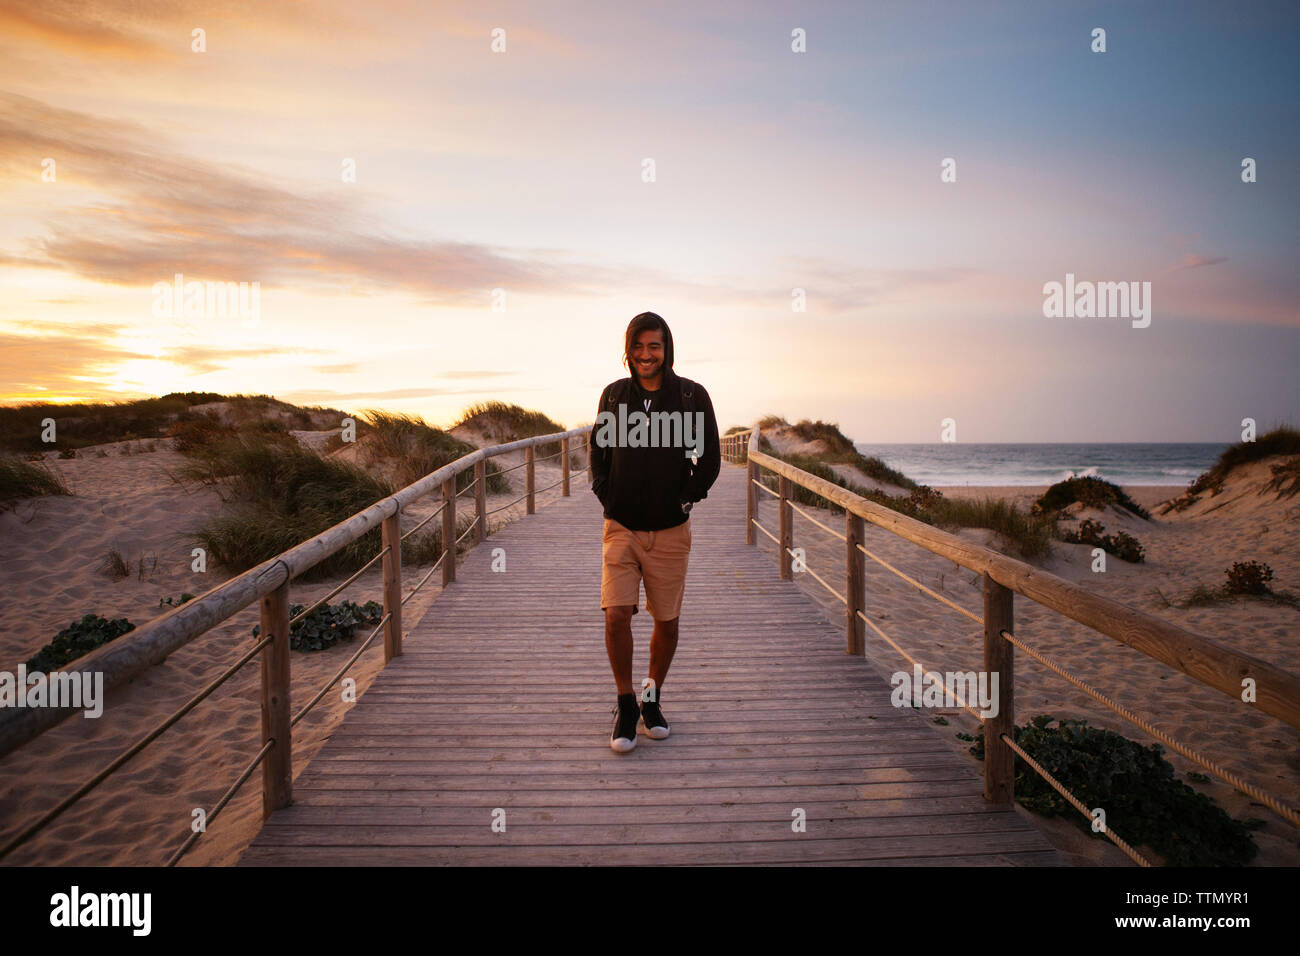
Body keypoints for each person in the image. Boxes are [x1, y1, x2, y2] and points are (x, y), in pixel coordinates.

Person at [589, 312, 720, 753]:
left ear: (667, 349)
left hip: (670, 530)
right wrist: (608, 498)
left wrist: (685, 498)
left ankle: (651, 698)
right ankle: (626, 703)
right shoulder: (613, 396)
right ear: (628, 350)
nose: (647, 355)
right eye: (639, 347)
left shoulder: (691, 396)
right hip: (621, 527)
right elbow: (598, 454)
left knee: (666, 621)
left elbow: (711, 458)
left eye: (655, 347)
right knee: (615, 615)